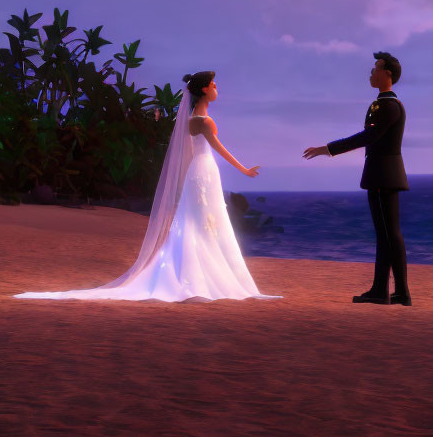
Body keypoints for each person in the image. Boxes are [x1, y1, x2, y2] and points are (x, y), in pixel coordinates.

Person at [14, 72, 280, 303]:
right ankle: (205, 274)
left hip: (196, 173)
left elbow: (188, 152)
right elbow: (219, 150)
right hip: (205, 170)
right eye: (214, 85)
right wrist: (243, 169)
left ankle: (195, 270)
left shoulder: (189, 122)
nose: (216, 89)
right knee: (206, 221)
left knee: (196, 221)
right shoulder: (206, 122)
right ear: (203, 89)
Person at [303, 52, 411, 306]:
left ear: (387, 74)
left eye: (375, 69)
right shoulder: (382, 104)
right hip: (380, 174)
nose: (371, 73)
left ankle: (400, 292)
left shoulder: (389, 106)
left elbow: (367, 137)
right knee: (385, 234)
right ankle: (383, 290)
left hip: (384, 174)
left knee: (390, 234)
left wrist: (327, 148)